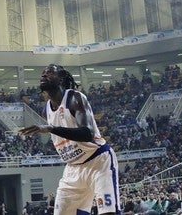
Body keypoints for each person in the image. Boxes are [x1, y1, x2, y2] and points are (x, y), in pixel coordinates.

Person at [19, 64, 120, 215]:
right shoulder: (46, 109)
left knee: (108, 212)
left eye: (49, 73)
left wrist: (51, 129)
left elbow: (87, 134)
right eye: (43, 73)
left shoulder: (74, 98)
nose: (44, 75)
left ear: (61, 79)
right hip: (72, 168)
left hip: (98, 162)